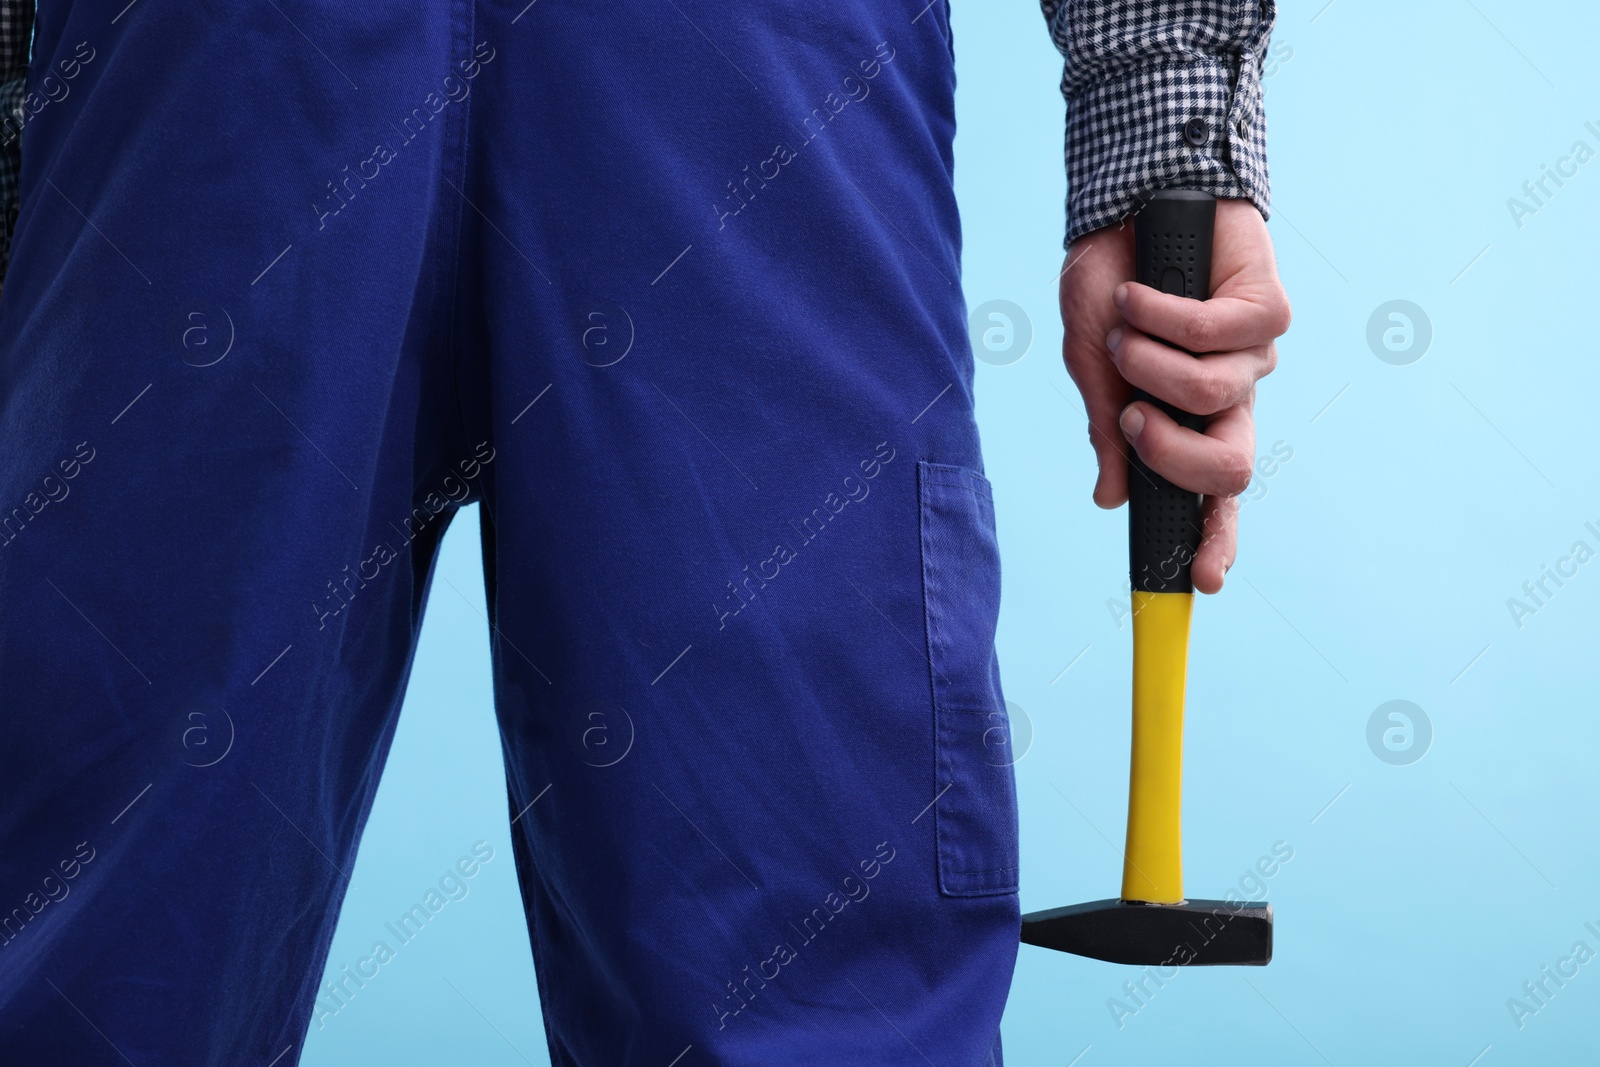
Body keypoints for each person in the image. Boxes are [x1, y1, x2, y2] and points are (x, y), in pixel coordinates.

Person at [0, 1, 1288, 1063]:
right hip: (221, 66)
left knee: (805, 981)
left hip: (734, 68)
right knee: (98, 966)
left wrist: (1166, 122)